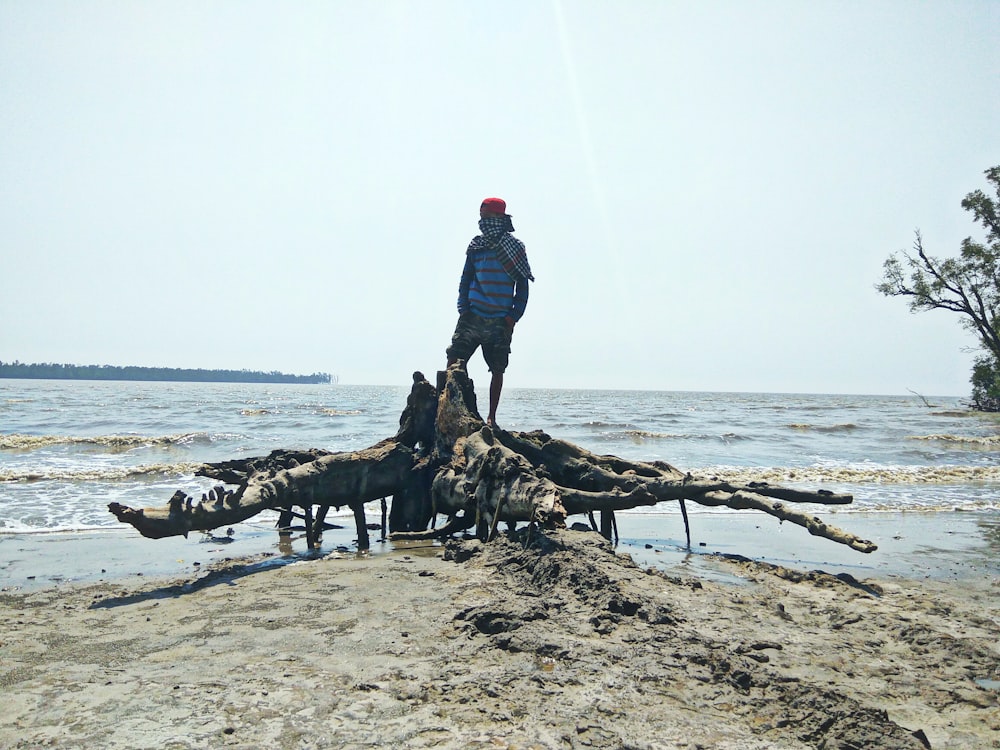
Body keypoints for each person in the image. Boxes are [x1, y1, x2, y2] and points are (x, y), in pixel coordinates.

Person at [446, 197, 534, 428]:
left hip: (500, 321)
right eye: (481, 217)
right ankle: (449, 409)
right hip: (472, 315)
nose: (483, 222)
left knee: (497, 368)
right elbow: (465, 280)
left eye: (486, 217)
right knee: (454, 360)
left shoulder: (515, 248)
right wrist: (463, 308)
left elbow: (523, 285)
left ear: (498, 218)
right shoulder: (476, 246)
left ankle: (492, 417)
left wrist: (513, 316)